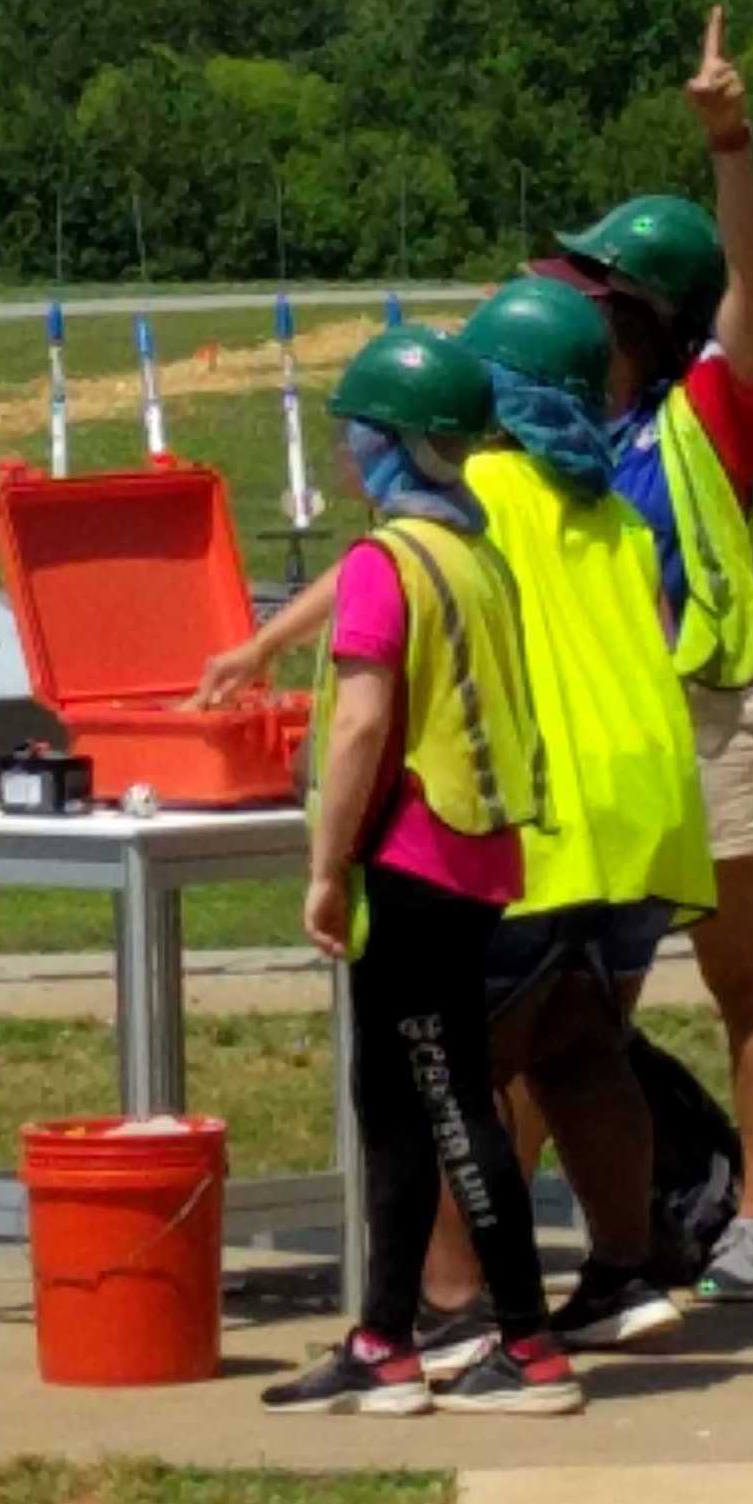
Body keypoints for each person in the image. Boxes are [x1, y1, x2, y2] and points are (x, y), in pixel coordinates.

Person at [525, 9, 753, 1305]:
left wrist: (731, 141)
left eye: (593, 295)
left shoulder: (708, 406)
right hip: (610, 743)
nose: (569, 312)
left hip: (711, 721)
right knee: (569, 1006)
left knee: (745, 975)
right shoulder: (565, 425)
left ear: (645, 312)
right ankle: (560, 1248)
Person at [262, 325, 582, 1417]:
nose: (344, 452)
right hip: (479, 849)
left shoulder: (385, 562)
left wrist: (324, 865)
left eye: (354, 433)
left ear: (391, 444)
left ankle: (529, 1343)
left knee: (446, 1102)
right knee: (397, 1102)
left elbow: (359, 726)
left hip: (411, 859)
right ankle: (384, 1337)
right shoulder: (474, 553)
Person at [423, 273, 722, 1353]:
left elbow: (412, 600)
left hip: (534, 822)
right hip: (640, 818)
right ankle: (623, 1269)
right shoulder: (619, 516)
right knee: (584, 1048)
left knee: (451, 1066)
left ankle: (453, 1306)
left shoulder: (470, 500)